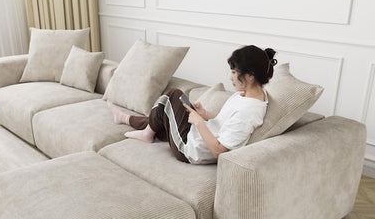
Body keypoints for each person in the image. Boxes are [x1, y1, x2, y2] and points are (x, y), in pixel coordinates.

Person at [108, 45, 277, 164]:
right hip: (196, 135)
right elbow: (224, 122)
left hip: (190, 150)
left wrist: (199, 122)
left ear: (250, 76)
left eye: (234, 72)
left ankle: (146, 133)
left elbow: (219, 152)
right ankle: (125, 118)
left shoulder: (249, 112)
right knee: (164, 116)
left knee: (173, 95)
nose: (230, 77)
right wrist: (205, 115)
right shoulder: (246, 95)